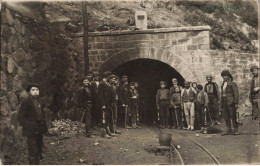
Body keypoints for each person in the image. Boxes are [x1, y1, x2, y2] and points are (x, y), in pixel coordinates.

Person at [18, 83, 48, 165]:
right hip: (31, 131)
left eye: (37, 90)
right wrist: (31, 125)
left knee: (38, 150)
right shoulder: (26, 102)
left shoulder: (38, 102)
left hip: (39, 130)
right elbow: (21, 117)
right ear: (28, 92)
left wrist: (43, 127)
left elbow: (41, 115)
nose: (35, 91)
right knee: (33, 151)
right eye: (33, 90)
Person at [220, 70, 239, 135]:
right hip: (224, 102)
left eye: (225, 76)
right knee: (226, 116)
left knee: (233, 116)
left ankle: (235, 130)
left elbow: (236, 94)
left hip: (231, 102)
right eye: (223, 76)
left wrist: (236, 103)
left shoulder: (232, 84)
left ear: (229, 76)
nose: (224, 77)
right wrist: (221, 103)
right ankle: (228, 129)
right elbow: (222, 94)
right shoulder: (223, 84)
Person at [98, 71, 115, 138]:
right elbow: (100, 95)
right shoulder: (101, 84)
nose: (110, 78)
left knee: (107, 117)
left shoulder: (108, 84)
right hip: (104, 104)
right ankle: (103, 133)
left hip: (108, 104)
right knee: (104, 118)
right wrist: (103, 104)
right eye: (109, 77)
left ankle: (108, 131)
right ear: (106, 77)